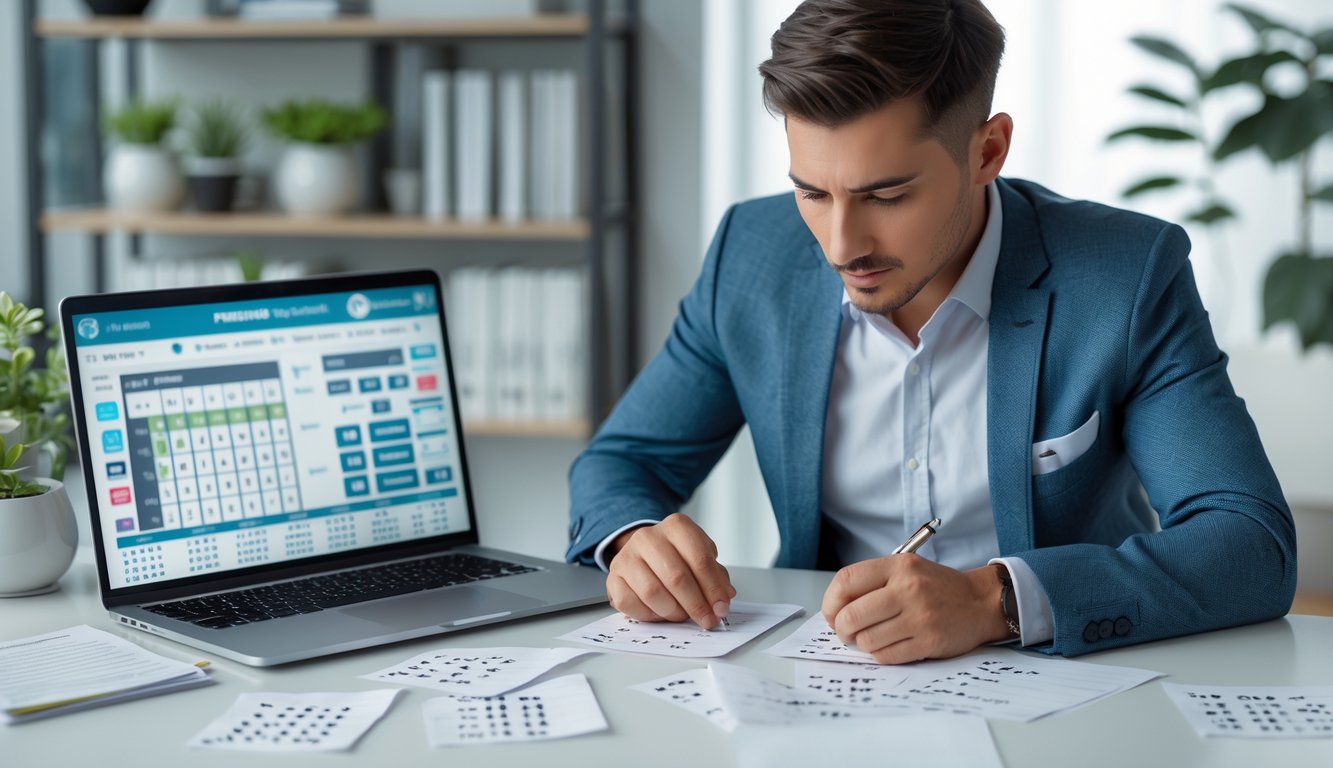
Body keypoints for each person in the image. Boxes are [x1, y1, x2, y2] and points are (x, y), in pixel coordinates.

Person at [565, 0, 1296, 663]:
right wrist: (633, 540)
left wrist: (993, 602)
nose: (840, 244)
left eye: (886, 194)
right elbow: (622, 462)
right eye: (811, 191)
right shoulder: (750, 258)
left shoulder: (1123, 277)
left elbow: (1246, 543)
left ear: (986, 152)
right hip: (821, 686)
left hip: (1064, 686)